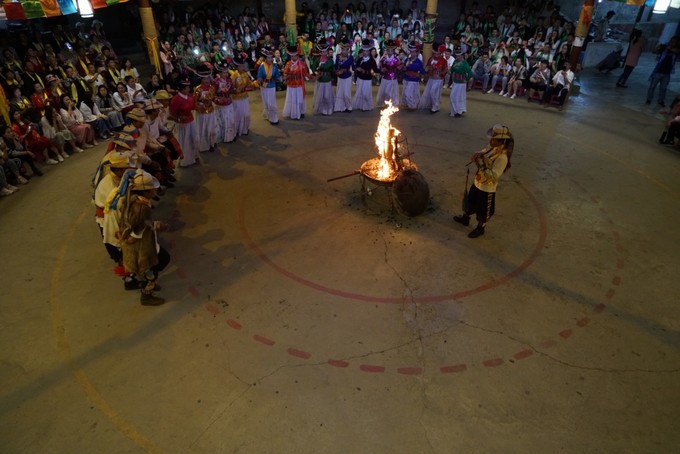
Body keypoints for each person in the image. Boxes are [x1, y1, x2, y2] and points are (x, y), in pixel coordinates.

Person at [117, 169, 171, 306]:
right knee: (151, 269)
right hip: (142, 248)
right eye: (152, 189)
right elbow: (138, 228)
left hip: (142, 243)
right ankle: (146, 294)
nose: (155, 191)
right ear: (145, 192)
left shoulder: (133, 201)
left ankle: (148, 283)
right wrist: (158, 226)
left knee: (159, 262)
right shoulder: (141, 208)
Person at [454, 124, 514, 238]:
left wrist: (480, 164)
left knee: (483, 210)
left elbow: (493, 176)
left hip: (487, 188)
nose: (490, 140)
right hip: (478, 182)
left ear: (500, 141)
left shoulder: (502, 158)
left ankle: (480, 228)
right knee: (470, 201)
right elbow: (484, 151)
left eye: (493, 138)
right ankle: (465, 218)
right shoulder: (492, 147)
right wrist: (478, 154)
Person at [168, 78, 198, 167]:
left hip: (191, 120)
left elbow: (193, 107)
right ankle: (186, 160)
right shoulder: (175, 100)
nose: (189, 89)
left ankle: (194, 155)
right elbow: (172, 113)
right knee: (185, 140)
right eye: (187, 88)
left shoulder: (190, 96)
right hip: (182, 123)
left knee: (193, 138)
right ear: (182, 89)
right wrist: (179, 119)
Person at [646, 37, 678, 107]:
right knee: (652, 86)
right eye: (671, 41)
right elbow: (654, 52)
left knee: (663, 88)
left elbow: (676, 51)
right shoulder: (664, 47)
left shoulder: (676, 50)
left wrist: (668, 48)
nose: (672, 43)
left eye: (674, 42)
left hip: (667, 73)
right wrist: (657, 47)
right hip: (658, 71)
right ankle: (649, 99)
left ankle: (660, 101)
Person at [283, 45, 311, 120]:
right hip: (291, 84)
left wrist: (312, 76)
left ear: (297, 56)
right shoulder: (288, 64)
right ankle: (293, 113)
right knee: (292, 99)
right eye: (291, 56)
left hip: (299, 84)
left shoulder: (301, 64)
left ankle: (300, 111)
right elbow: (285, 73)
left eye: (295, 56)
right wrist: (287, 76)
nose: (293, 58)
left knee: (299, 99)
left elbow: (305, 73)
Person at [418, 44, 448, 113]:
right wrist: (427, 69)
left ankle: (435, 106)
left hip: (439, 79)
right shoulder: (431, 59)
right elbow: (427, 67)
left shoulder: (444, 61)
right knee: (429, 92)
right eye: (435, 54)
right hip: (431, 79)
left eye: (438, 54)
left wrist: (439, 71)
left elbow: (445, 70)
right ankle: (431, 104)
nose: (436, 55)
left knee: (434, 92)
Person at [193, 70, 218, 152]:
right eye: (204, 79)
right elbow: (195, 102)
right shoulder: (198, 89)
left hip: (210, 111)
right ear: (201, 80)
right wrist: (201, 104)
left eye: (208, 78)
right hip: (202, 113)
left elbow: (214, 98)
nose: (207, 80)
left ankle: (212, 143)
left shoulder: (212, 88)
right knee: (203, 129)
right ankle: (204, 146)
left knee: (211, 128)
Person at [231, 57, 255, 136]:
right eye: (241, 66)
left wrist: (254, 83)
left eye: (243, 66)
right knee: (238, 114)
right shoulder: (234, 75)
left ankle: (245, 128)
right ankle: (237, 130)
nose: (243, 68)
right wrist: (236, 90)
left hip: (244, 97)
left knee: (246, 114)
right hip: (236, 99)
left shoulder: (245, 74)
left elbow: (249, 84)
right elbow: (230, 88)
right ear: (237, 67)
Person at [212, 63, 236, 142]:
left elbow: (231, 90)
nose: (226, 74)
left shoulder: (229, 80)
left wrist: (236, 90)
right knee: (223, 120)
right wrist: (217, 99)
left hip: (229, 102)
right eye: (224, 72)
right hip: (221, 104)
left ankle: (231, 135)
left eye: (226, 72)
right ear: (219, 73)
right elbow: (213, 93)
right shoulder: (216, 81)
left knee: (230, 119)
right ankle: (225, 137)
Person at [352, 39, 378, 112]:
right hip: (360, 79)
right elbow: (355, 68)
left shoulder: (372, 60)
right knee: (360, 92)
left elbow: (375, 70)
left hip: (367, 79)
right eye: (364, 51)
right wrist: (358, 69)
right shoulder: (359, 59)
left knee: (366, 93)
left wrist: (368, 71)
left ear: (369, 51)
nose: (365, 53)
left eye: (367, 51)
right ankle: (360, 105)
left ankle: (366, 106)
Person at [257, 48, 281, 124]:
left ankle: (274, 118)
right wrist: (259, 80)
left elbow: (277, 76)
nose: (270, 59)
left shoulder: (274, 66)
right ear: (265, 58)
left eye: (271, 57)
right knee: (266, 101)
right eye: (268, 57)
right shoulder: (261, 66)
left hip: (272, 85)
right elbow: (259, 76)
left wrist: (279, 80)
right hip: (264, 86)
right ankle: (268, 115)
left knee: (272, 102)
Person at [449, 46, 473, 118]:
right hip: (455, 82)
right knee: (453, 96)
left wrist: (466, 80)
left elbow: (470, 73)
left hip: (461, 83)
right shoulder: (455, 61)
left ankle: (458, 111)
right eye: (456, 55)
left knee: (459, 97)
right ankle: (453, 110)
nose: (457, 57)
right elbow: (452, 70)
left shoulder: (464, 63)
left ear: (461, 56)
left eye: (458, 56)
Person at [312, 43, 335, 115]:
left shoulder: (330, 60)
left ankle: (328, 109)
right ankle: (320, 109)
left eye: (325, 51)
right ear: (320, 52)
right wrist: (315, 72)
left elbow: (331, 69)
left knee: (327, 96)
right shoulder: (317, 60)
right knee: (319, 96)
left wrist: (321, 67)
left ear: (327, 52)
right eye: (322, 52)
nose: (324, 53)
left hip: (327, 80)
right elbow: (313, 68)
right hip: (320, 80)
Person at [401, 41, 425, 111]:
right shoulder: (407, 60)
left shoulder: (419, 62)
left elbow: (422, 71)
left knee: (408, 93)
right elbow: (404, 69)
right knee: (405, 93)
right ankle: (408, 104)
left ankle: (412, 105)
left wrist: (425, 70)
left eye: (414, 52)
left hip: (413, 80)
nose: (412, 53)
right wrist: (404, 66)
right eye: (411, 52)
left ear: (417, 52)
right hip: (406, 79)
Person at [376, 39, 401, 107]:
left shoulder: (396, 60)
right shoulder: (383, 59)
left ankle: (392, 105)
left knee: (391, 93)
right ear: (386, 50)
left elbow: (399, 68)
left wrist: (398, 68)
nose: (390, 51)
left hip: (392, 79)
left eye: (391, 50)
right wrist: (382, 70)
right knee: (384, 93)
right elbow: (380, 68)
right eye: (388, 50)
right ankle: (384, 104)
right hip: (385, 78)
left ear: (393, 51)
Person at [333, 37, 355, 113]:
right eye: (342, 49)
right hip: (340, 77)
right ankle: (340, 107)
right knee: (340, 92)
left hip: (347, 77)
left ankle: (349, 107)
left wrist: (345, 70)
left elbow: (354, 68)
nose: (344, 51)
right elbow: (335, 65)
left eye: (345, 49)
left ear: (348, 49)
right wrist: (337, 71)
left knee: (346, 93)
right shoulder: (338, 57)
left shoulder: (350, 58)